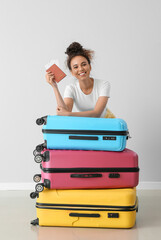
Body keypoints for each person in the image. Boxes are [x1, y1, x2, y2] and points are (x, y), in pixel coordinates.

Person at [45, 42, 115, 118]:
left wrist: (68, 114)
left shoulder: (103, 84)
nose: (81, 69)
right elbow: (63, 113)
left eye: (84, 64)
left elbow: (96, 113)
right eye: (75, 67)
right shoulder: (71, 88)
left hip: (107, 123)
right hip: (86, 125)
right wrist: (55, 87)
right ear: (71, 72)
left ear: (90, 66)